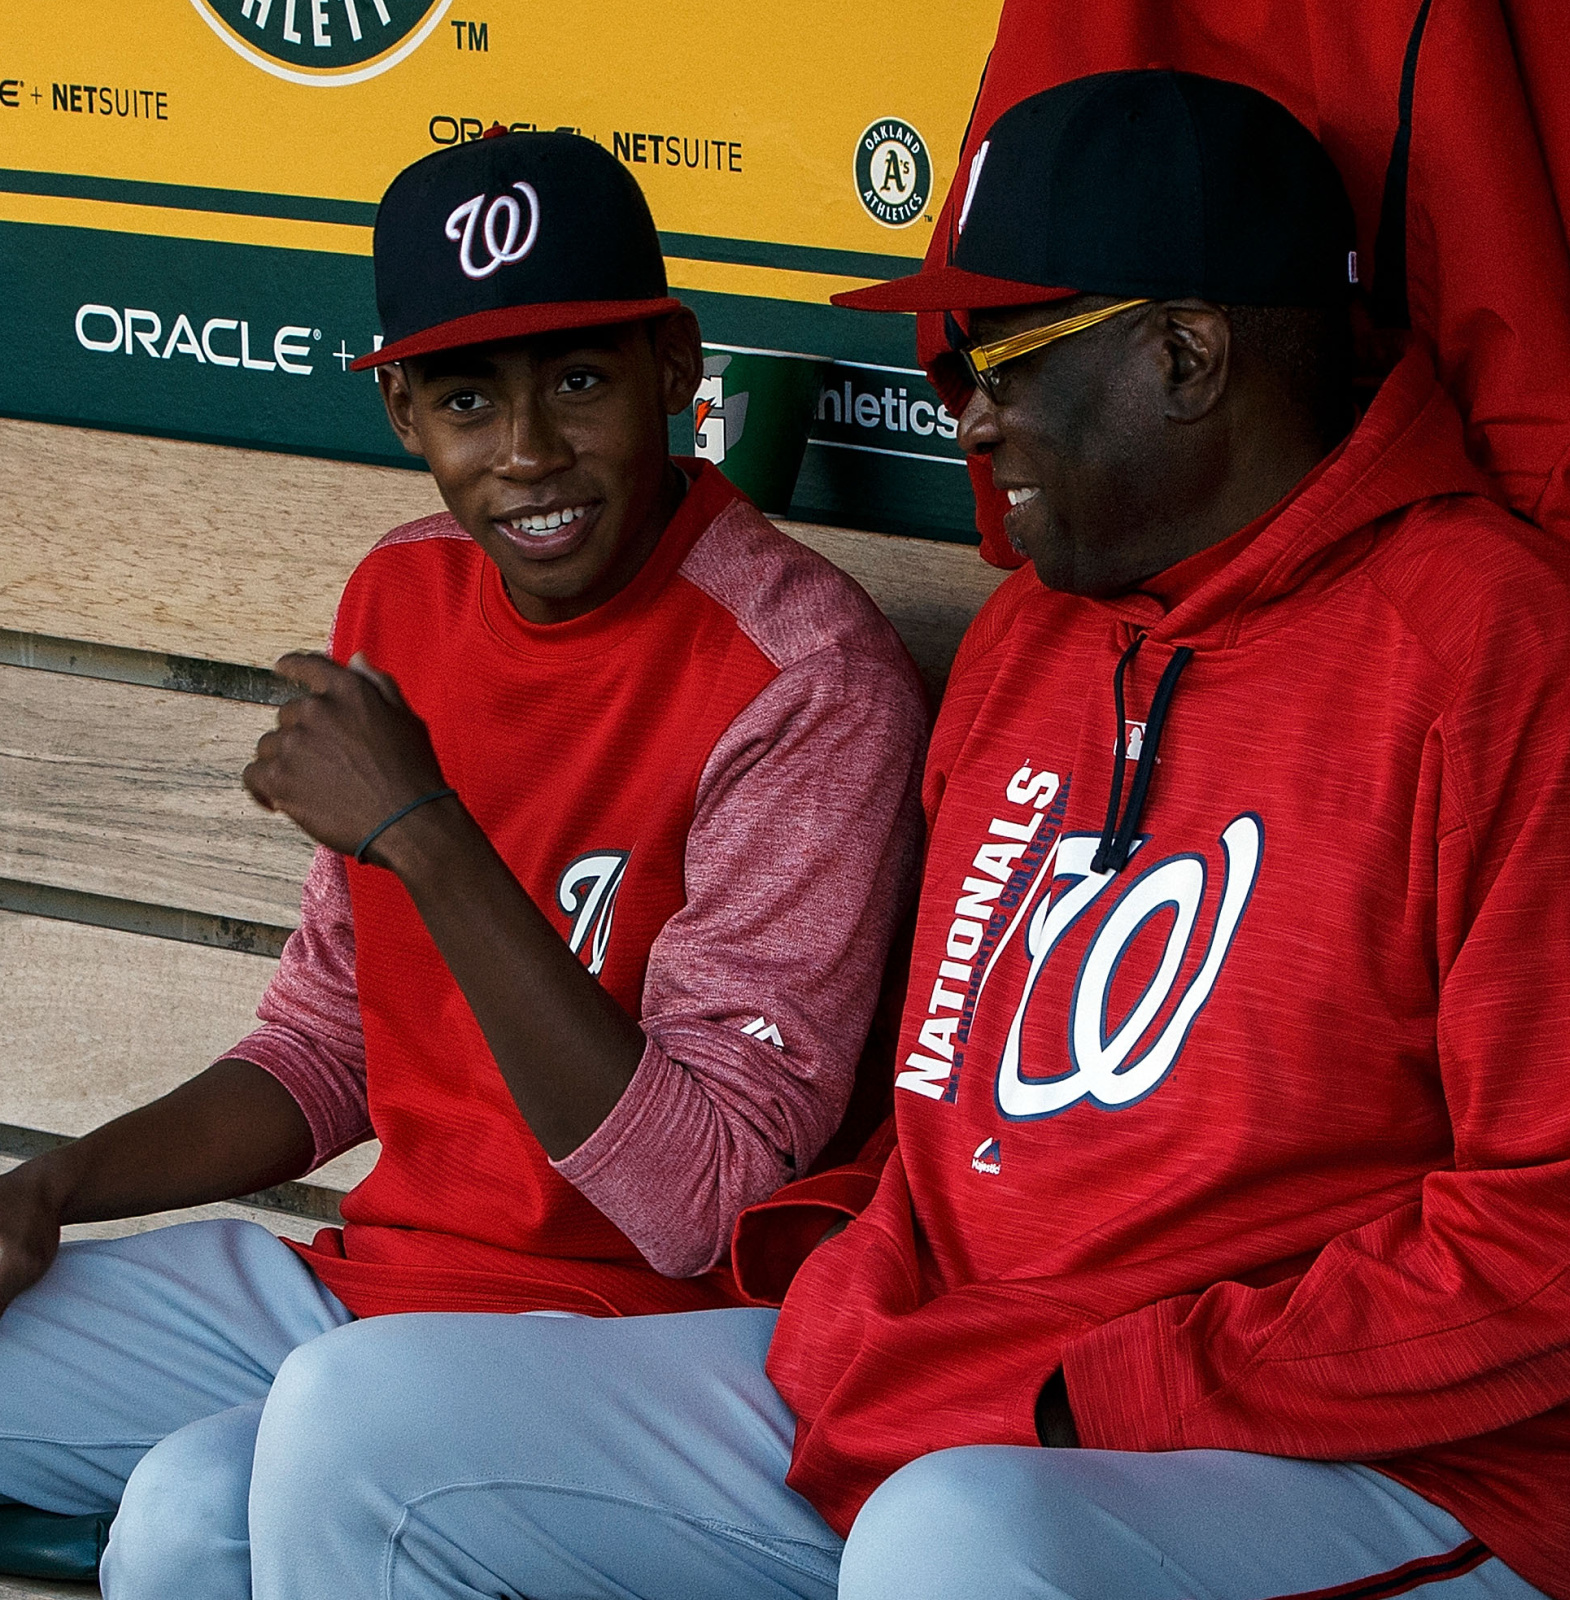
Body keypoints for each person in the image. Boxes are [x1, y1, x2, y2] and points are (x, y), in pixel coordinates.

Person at [235, 72, 1570, 1600]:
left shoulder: (1501, 653)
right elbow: (940, 1105)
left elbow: (1561, 1240)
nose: (968, 410)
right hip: (976, 1379)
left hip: (1377, 1458)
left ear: (1188, 352)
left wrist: (1101, 1392)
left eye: (998, 355)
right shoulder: (1034, 642)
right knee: (363, 1431)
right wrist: (864, 1308)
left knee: (957, 1545)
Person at [0, 129, 927, 1594]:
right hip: (371, 1304)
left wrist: (423, 835)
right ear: (400, 412)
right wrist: (51, 1189)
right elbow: (328, 1047)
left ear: (674, 367)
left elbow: (701, 1198)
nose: (530, 454)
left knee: (201, 1506)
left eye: (577, 379)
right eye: (467, 398)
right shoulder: (402, 596)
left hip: (638, 1354)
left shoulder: (800, 677)